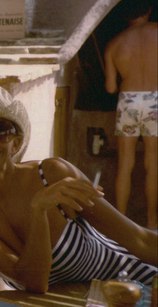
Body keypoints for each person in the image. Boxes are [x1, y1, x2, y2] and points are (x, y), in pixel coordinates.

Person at [0, 84, 158, 294]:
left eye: (1, 130)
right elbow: (33, 283)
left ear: (16, 144)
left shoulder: (52, 175)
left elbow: (138, 239)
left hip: (138, 288)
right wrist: (39, 211)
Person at [103, 0, 158, 229]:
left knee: (125, 163)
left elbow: (110, 88)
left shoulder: (114, 45)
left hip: (128, 101)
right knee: (152, 162)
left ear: (125, 17)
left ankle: (121, 223)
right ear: (148, 10)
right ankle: (153, 222)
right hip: (155, 100)